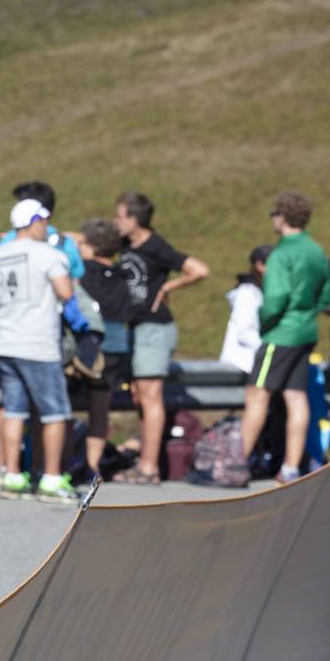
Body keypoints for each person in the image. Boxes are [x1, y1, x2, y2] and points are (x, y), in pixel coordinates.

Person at [0, 199, 77, 502]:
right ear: (34, 221)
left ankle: (12, 475)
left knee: (14, 411)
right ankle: (50, 478)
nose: (46, 227)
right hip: (39, 343)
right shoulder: (49, 254)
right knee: (55, 413)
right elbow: (65, 292)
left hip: (7, 342)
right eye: (44, 221)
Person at [113, 191, 210, 484]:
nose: (115, 221)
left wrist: (168, 288)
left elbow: (200, 270)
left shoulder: (157, 246)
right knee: (140, 397)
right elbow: (88, 238)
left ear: (134, 219)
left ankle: (149, 467)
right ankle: (145, 461)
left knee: (151, 396)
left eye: (120, 216)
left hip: (155, 329)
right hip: (137, 328)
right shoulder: (125, 243)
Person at [240, 193, 330, 483]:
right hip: (306, 331)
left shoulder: (281, 254)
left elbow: (276, 298)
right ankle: (291, 467)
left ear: (281, 216)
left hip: (281, 333)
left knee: (257, 393)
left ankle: (238, 461)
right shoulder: (316, 251)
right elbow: (326, 293)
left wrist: (265, 321)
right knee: (296, 396)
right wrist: (310, 309)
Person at [77, 218, 138, 480]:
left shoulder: (82, 273)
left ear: (89, 246)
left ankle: (63, 461)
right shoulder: (123, 276)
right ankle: (93, 466)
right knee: (100, 409)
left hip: (87, 347)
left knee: (63, 405)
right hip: (116, 349)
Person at [219, 245, 273, 374]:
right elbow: (244, 332)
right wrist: (272, 349)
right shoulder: (246, 294)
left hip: (256, 364)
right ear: (260, 265)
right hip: (243, 365)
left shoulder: (261, 293)